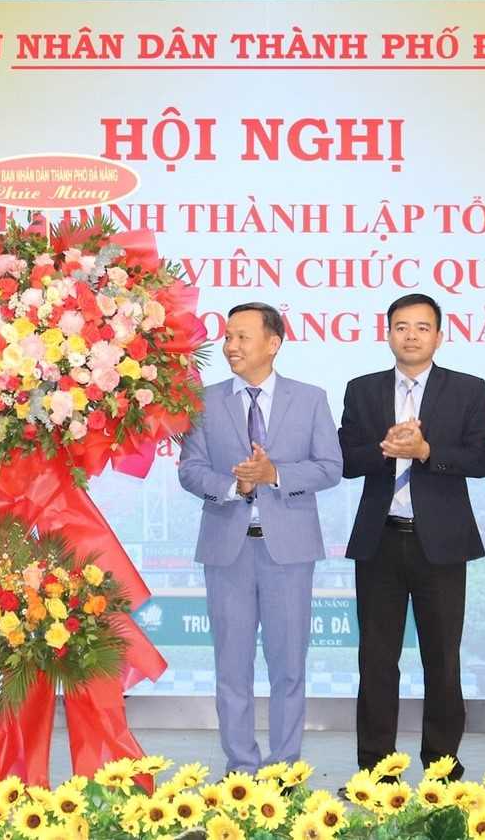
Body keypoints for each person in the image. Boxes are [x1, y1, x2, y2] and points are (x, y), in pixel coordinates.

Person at [177, 302, 341, 773]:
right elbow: (190, 470)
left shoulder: (310, 398)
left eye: (242, 337)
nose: (231, 346)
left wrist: (273, 474)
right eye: (228, 336)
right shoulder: (205, 402)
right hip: (227, 549)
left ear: (273, 343)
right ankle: (242, 765)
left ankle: (285, 765)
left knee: (289, 664)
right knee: (232, 665)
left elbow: (331, 467)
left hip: (288, 552)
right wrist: (235, 485)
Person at [340, 293, 485, 780]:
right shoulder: (362, 389)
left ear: (439, 336)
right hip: (380, 540)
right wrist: (384, 451)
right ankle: (375, 770)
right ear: (388, 334)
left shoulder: (468, 389)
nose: (411, 335)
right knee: (377, 660)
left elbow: (481, 460)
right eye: (401, 326)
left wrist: (427, 450)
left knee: (442, 660)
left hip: (441, 543)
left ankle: (442, 769)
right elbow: (344, 460)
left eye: (422, 327)